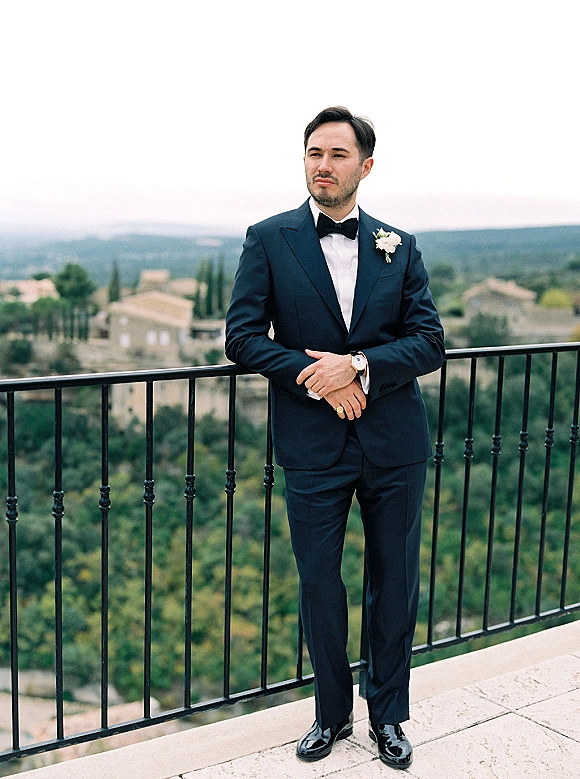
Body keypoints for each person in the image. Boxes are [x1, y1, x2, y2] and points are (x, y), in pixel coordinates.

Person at [225, 106, 445, 770]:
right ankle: (330, 713)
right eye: (314, 153)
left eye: (337, 154)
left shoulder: (399, 246)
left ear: (366, 166)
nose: (323, 164)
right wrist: (318, 377)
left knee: (395, 580)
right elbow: (240, 337)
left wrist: (359, 367)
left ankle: (387, 716)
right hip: (312, 447)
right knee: (320, 581)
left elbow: (430, 340)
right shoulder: (268, 239)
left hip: (394, 445)